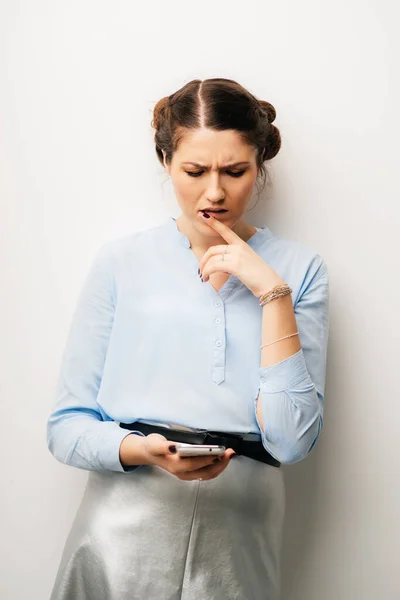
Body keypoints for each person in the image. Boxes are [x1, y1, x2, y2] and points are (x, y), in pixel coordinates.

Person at [47, 77, 330, 600]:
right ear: (165, 161)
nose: (215, 192)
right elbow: (66, 427)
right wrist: (141, 450)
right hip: (122, 526)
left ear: (260, 164)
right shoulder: (120, 262)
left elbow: (291, 441)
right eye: (195, 171)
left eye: (236, 171)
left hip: (241, 538)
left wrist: (273, 294)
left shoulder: (299, 270)